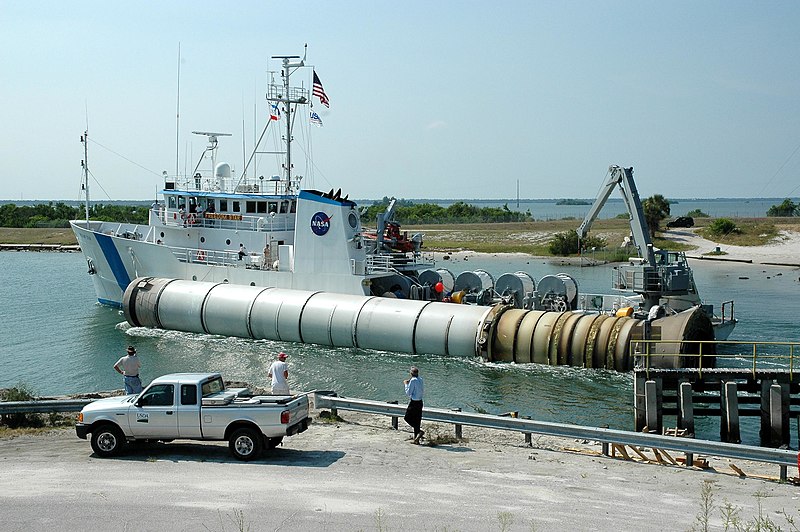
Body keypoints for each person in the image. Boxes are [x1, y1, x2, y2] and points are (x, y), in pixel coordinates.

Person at [403, 366, 424, 444]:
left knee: (407, 418)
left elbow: (409, 393)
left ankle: (419, 431)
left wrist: (406, 384)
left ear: (411, 373)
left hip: (414, 402)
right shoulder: (420, 379)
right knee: (417, 420)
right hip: (420, 402)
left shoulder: (413, 380)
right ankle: (416, 439)